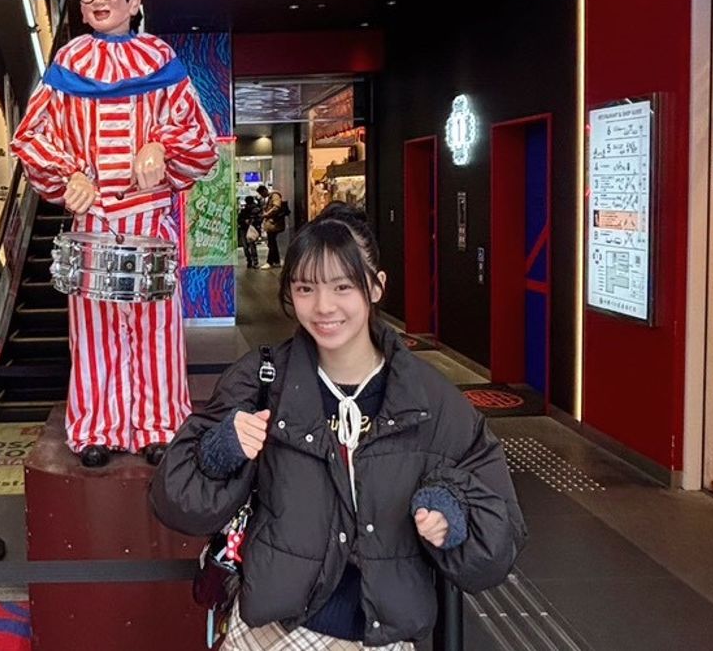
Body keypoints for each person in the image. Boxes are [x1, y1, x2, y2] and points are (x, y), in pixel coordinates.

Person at [151, 203, 525, 649]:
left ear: (377, 286)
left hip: (381, 639)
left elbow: (498, 542)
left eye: (343, 286)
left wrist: (453, 511)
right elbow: (175, 502)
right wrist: (220, 450)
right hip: (274, 636)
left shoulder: (431, 401)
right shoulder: (261, 380)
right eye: (305, 288)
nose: (323, 307)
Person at [11, 0, 218, 468]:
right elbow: (30, 135)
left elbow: (201, 139)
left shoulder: (160, 59)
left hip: (151, 220)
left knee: (155, 327)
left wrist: (162, 147)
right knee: (96, 329)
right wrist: (66, 174)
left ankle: (158, 424)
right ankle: (98, 425)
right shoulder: (68, 61)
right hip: (94, 222)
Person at [262, 189, 290, 268]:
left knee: (272, 243)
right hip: (272, 223)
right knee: (272, 242)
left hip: (274, 223)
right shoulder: (271, 197)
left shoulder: (274, 196)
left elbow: (276, 207)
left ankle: (270, 261)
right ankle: (276, 261)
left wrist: (267, 214)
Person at [239, 197, 262, 270]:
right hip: (251, 229)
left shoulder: (244, 210)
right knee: (252, 245)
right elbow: (260, 219)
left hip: (244, 229)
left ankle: (249, 261)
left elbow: (239, 220)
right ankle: (255, 262)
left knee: (246, 246)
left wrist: (244, 221)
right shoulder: (257, 209)